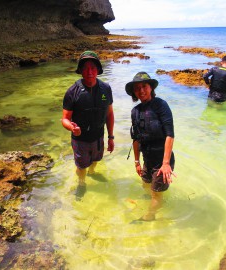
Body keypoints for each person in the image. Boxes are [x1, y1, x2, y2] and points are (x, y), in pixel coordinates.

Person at [61, 51, 115, 200]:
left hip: (99, 136)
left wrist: (110, 137)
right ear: (80, 70)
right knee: (81, 166)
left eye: (93, 67)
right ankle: (82, 182)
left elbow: (109, 114)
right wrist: (72, 128)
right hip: (80, 139)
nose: (89, 71)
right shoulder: (72, 92)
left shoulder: (106, 88)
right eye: (85, 68)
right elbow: (64, 119)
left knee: (97, 159)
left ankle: (92, 172)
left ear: (98, 69)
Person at [126, 72, 175, 221]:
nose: (141, 91)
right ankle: (153, 202)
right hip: (147, 159)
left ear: (151, 87)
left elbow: (170, 134)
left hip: (162, 161)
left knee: (156, 194)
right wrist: (137, 162)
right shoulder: (135, 111)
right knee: (146, 185)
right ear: (134, 92)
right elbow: (135, 139)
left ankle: (150, 216)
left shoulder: (161, 105)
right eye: (137, 88)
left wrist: (166, 164)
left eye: (144, 86)